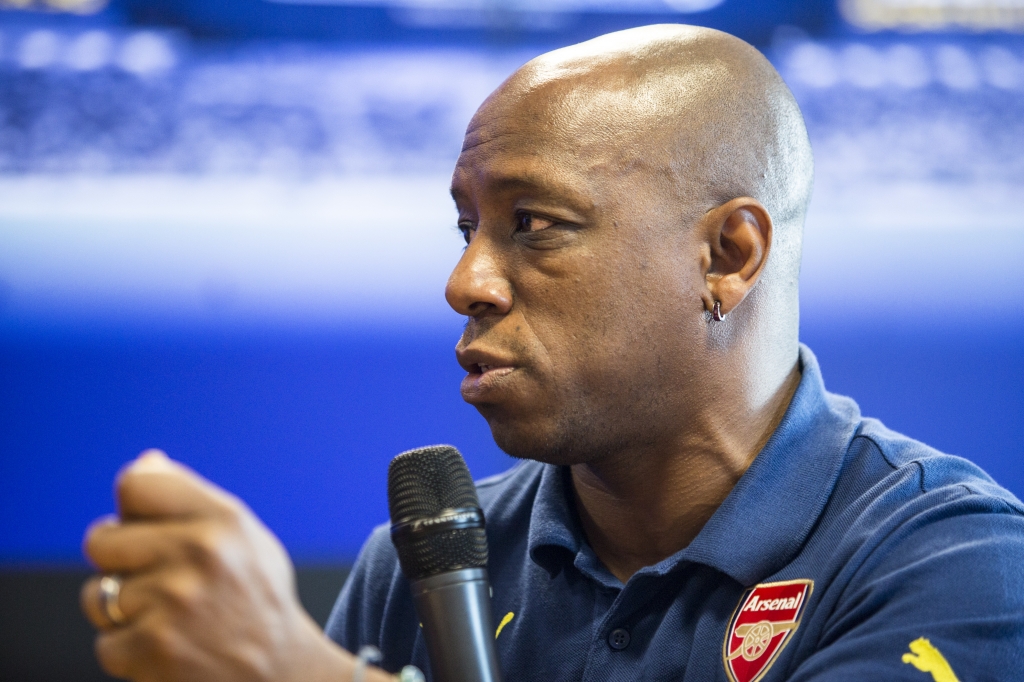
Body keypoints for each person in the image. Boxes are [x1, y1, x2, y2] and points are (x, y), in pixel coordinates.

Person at [80, 24, 1024, 682]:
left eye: (534, 224)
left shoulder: (954, 564)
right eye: (466, 226)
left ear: (727, 257)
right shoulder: (418, 563)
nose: (465, 282)